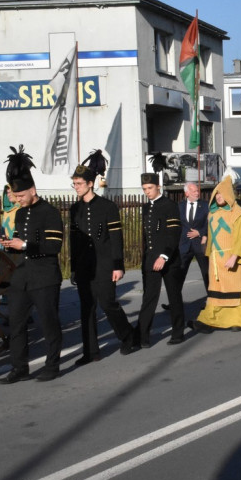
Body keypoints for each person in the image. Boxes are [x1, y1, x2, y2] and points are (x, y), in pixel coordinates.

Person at [0, 146, 64, 383]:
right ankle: (19, 367)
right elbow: (19, 238)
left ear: (33, 190)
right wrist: (9, 244)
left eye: (21, 196)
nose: (18, 200)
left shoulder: (50, 212)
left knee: (49, 323)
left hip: (44, 277)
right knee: (16, 324)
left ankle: (52, 365)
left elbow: (54, 246)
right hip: (21, 277)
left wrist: (24, 245)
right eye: (15, 197)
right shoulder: (21, 213)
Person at [70, 152, 140, 363]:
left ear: (90, 184)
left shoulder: (107, 207)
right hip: (84, 266)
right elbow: (74, 241)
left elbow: (116, 238)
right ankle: (90, 352)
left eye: (80, 183)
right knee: (87, 308)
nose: (76, 187)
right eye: (74, 183)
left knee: (108, 303)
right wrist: (74, 267)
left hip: (105, 264)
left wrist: (118, 265)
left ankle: (128, 336)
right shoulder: (75, 209)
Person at [194, 175, 241, 330]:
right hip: (217, 260)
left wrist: (234, 257)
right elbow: (211, 235)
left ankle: (238, 321)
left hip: (232, 258)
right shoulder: (213, 213)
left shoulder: (238, 214)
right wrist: (209, 250)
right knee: (217, 292)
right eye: (217, 194)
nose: (219, 197)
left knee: (235, 289)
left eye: (221, 193)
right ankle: (210, 320)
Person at [136, 171, 184, 346]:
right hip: (150, 260)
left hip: (168, 259)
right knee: (149, 298)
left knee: (174, 296)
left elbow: (173, 233)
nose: (147, 191)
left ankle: (178, 332)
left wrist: (163, 256)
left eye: (149, 188)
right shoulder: (145, 207)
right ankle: (142, 336)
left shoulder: (169, 205)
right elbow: (147, 237)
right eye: (144, 189)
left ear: (158, 187)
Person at [178, 182, 210, 288]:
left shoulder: (205, 206)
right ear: (187, 193)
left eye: (198, 191)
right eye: (194, 191)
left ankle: (211, 301)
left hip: (200, 244)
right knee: (179, 275)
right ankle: (175, 303)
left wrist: (200, 232)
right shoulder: (179, 206)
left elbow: (210, 223)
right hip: (184, 246)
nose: (197, 193)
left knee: (207, 274)